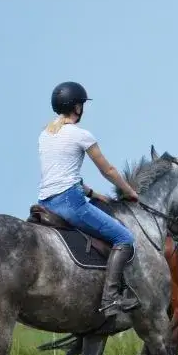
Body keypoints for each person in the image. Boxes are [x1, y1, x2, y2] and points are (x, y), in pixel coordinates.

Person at [37, 81, 142, 317]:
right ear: (77, 107)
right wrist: (129, 192)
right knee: (125, 238)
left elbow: (61, 175)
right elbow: (108, 170)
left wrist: (93, 194)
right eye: (82, 105)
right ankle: (111, 298)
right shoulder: (81, 135)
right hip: (70, 203)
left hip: (46, 204)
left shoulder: (45, 134)